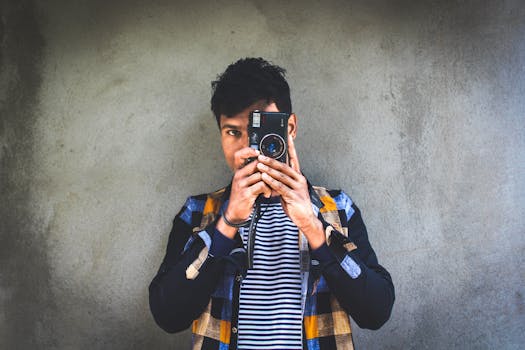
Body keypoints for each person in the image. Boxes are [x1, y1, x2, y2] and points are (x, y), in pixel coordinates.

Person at [149, 57, 395, 350]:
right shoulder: (196, 212)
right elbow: (167, 316)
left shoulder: (338, 208)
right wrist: (225, 224)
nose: (246, 147)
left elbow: (377, 312)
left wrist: (313, 228)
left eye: (259, 130)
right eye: (233, 132)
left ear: (290, 127)